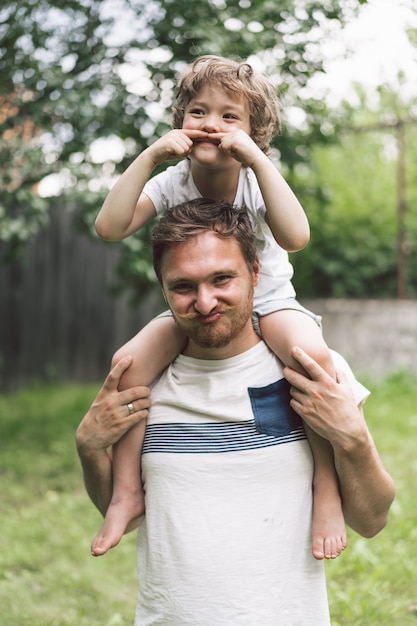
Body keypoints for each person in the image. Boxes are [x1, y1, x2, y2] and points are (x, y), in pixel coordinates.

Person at [76, 199, 395, 625]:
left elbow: (372, 520)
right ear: (164, 289)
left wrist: (352, 436)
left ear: (256, 273)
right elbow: (124, 513)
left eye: (221, 278)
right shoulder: (143, 381)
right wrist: (90, 449)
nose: (205, 302)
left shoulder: (311, 373)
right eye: (183, 286)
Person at [92, 55, 341, 559]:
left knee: (315, 361)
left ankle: (328, 491)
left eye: (231, 116)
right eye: (198, 112)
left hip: (268, 302)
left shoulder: (256, 179)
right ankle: (126, 491)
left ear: (254, 132)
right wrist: (149, 158)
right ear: (180, 120)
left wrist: (258, 160)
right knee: (128, 365)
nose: (212, 125)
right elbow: (109, 227)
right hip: (195, 303)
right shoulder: (172, 182)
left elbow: (296, 237)